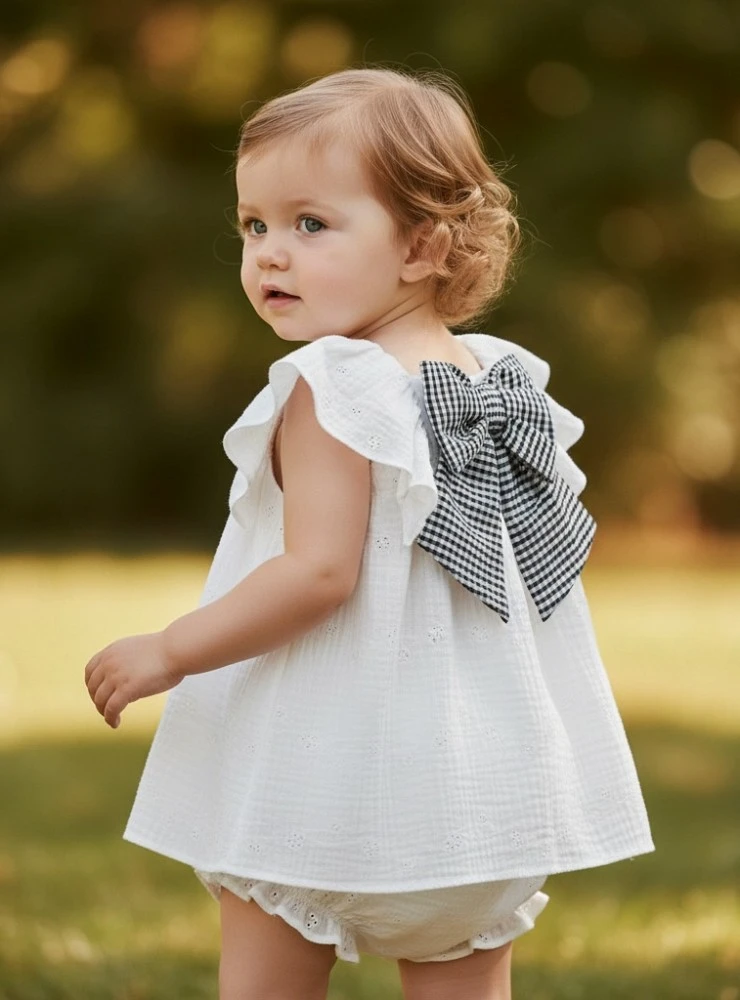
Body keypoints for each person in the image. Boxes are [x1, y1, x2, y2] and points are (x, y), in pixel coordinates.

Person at [83, 65, 655, 1000]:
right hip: (475, 799)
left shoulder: (337, 386)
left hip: (327, 788)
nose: (270, 253)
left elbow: (318, 575)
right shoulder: (496, 379)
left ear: (423, 246)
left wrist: (171, 650)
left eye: (311, 224)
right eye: (253, 225)